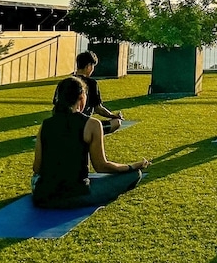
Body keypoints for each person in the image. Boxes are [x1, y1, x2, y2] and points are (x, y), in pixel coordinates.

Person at [33, 76, 150, 209]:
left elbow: (37, 168)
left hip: (43, 197)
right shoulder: (92, 124)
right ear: (82, 98)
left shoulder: (45, 125)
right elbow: (101, 166)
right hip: (75, 195)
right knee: (134, 175)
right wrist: (131, 167)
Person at [71, 50, 124, 134]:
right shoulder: (91, 83)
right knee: (116, 122)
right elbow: (98, 108)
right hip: (83, 126)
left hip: (64, 124)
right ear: (88, 66)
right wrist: (113, 116)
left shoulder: (65, 82)